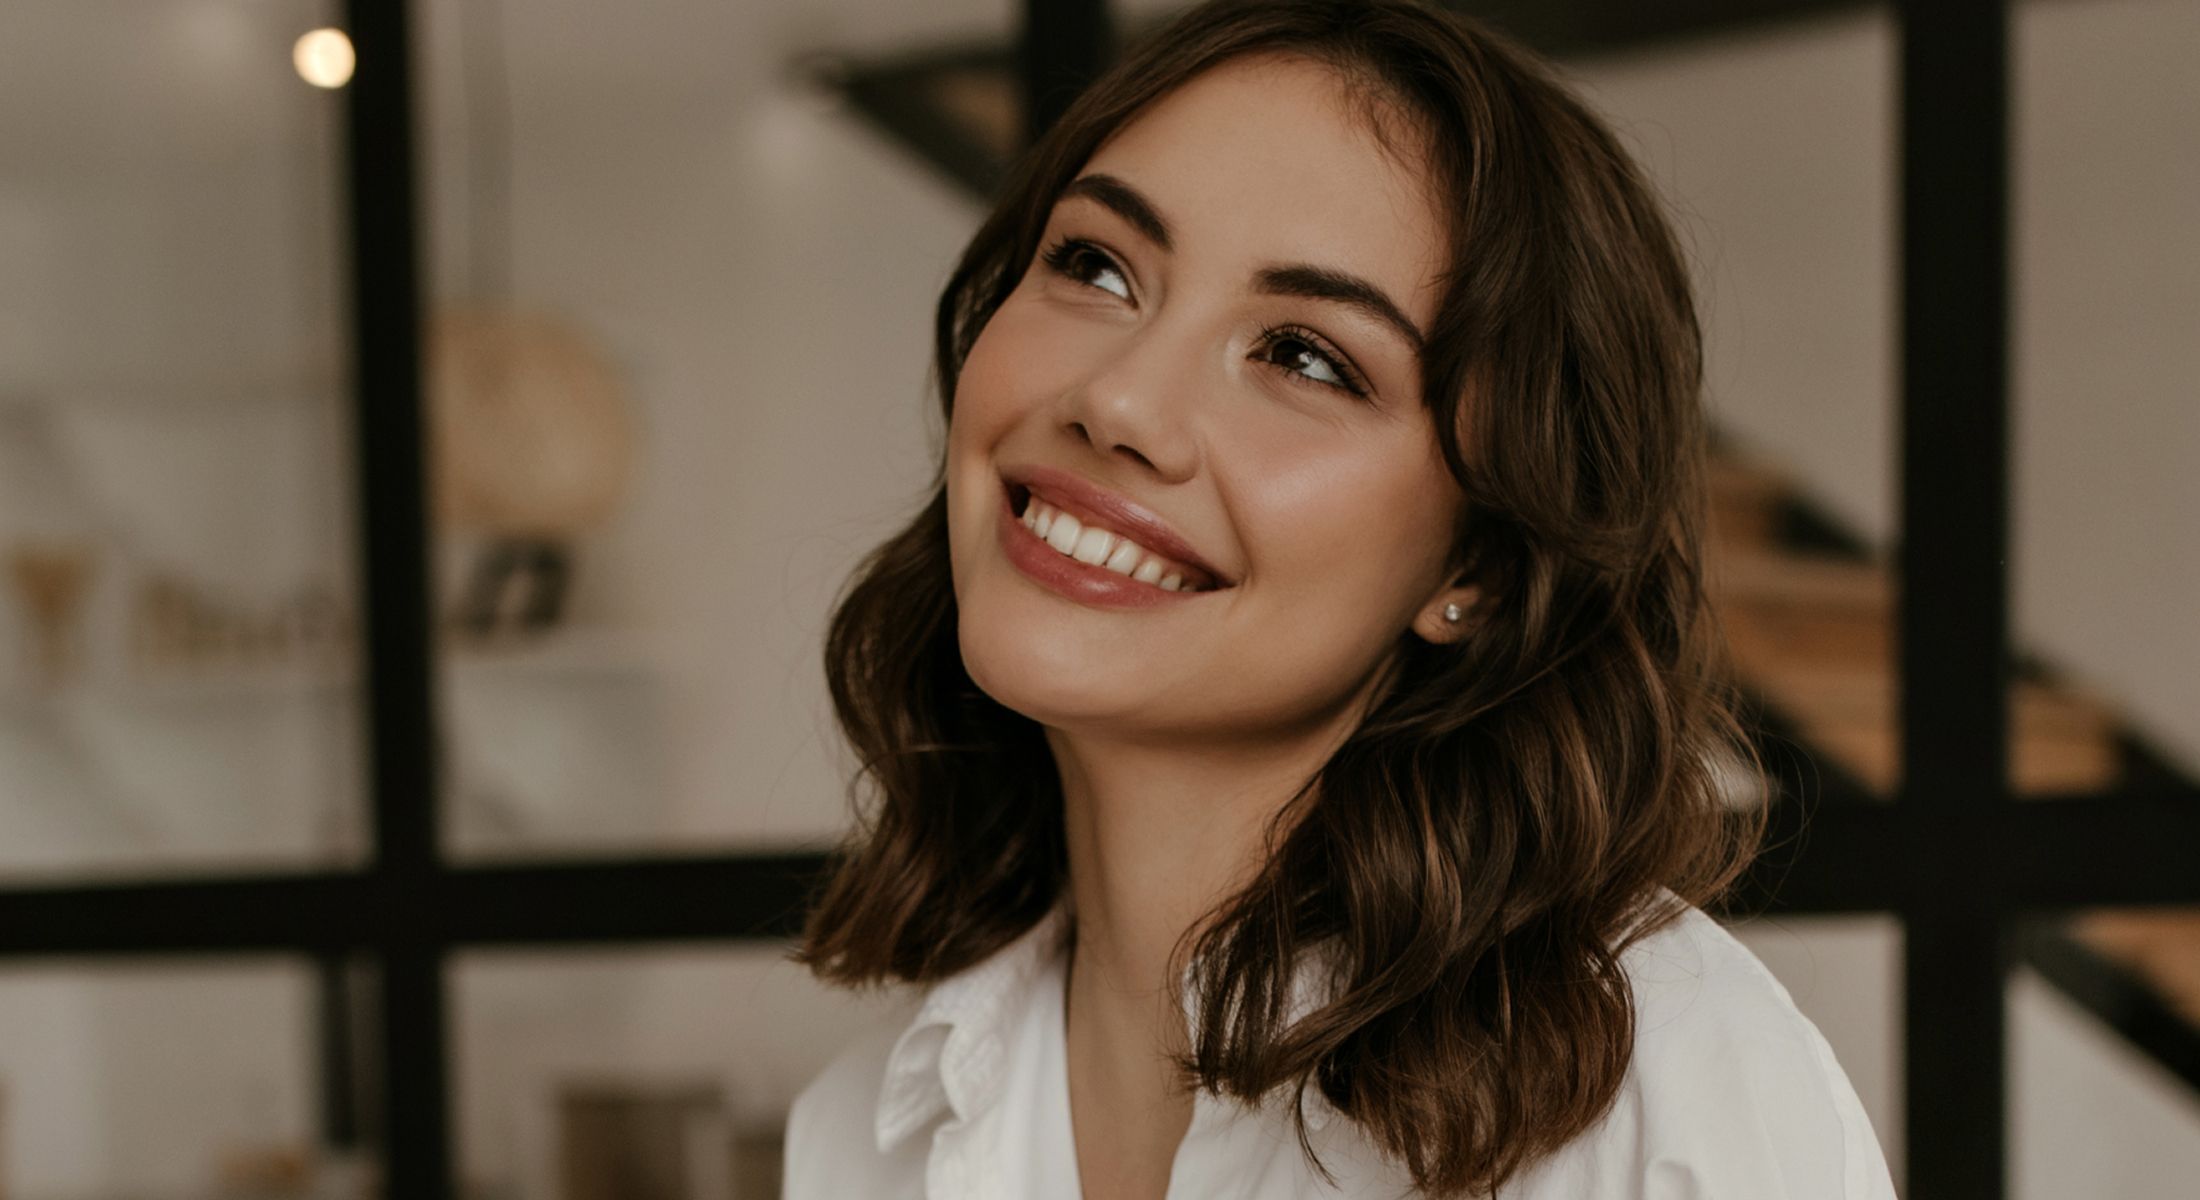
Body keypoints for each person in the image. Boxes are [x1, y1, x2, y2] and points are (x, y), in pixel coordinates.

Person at [782, 0, 1901, 1196]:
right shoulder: (865, 1137)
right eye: (1096, 265)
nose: (1120, 403)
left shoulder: (1666, 1104)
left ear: (1475, 567)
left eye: (1305, 355)